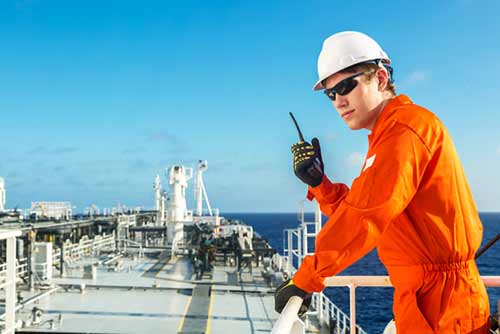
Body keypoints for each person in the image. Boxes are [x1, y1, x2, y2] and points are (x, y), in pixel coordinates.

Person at [274, 31, 490, 333]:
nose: (339, 101)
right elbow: (362, 210)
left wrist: (306, 278)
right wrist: (319, 184)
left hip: (442, 307)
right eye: (330, 94)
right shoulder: (388, 134)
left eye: (346, 86)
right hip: (423, 301)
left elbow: (364, 217)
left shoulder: (405, 130)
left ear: (380, 77)